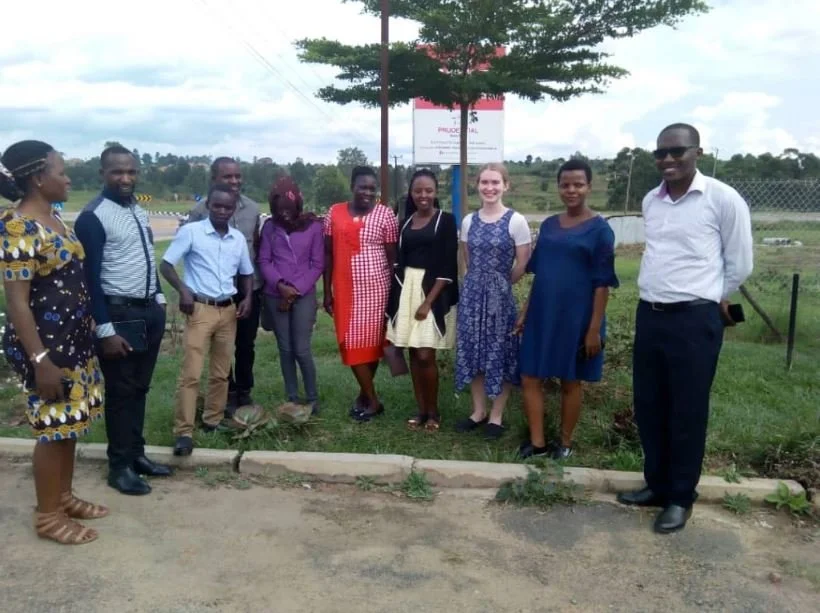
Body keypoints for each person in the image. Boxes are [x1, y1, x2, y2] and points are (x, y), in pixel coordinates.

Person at [617, 123, 753, 534]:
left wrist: (713, 297)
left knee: (687, 410)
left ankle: (680, 497)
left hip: (695, 319)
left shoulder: (722, 199)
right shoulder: (651, 201)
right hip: (651, 314)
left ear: (697, 151)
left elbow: (740, 262)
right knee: (650, 405)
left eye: (677, 151)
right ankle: (656, 486)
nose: (668, 160)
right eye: (661, 153)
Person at [0, 141, 106, 545]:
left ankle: (62, 497)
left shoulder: (55, 219)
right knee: (53, 427)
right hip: (46, 346)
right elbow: (17, 302)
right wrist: (40, 360)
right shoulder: (19, 227)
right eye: (62, 171)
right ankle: (48, 517)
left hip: (73, 341)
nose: (68, 178)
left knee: (70, 423)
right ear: (38, 178)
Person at [75, 145, 172, 496]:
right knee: (120, 392)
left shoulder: (138, 210)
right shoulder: (93, 216)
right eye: (117, 172)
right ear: (103, 173)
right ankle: (119, 467)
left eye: (131, 171)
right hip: (118, 316)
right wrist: (105, 330)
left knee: (140, 389)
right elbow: (90, 279)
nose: (126, 178)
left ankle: (137, 454)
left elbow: (147, 259)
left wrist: (160, 300)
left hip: (148, 310)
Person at [515, 159, 619, 460]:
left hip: (577, 318)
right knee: (530, 376)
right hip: (543, 314)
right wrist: (525, 311)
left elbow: (602, 284)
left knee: (569, 379)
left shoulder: (600, 230)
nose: (571, 190)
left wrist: (593, 329)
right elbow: (541, 274)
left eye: (578, 184)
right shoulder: (548, 226)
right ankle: (537, 443)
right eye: (565, 184)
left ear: (589, 186)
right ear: (559, 187)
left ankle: (565, 443)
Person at [160, 185, 254, 456]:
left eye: (228, 207)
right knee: (191, 373)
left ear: (234, 209)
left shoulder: (236, 238)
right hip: (200, 309)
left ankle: (212, 419)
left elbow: (246, 272)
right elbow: (166, 264)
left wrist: (247, 298)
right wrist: (183, 290)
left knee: (221, 372)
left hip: (228, 311)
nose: (222, 211)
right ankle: (184, 432)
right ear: (208, 206)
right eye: (217, 206)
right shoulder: (192, 232)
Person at [455, 163, 532, 440]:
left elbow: (523, 264)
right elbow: (467, 258)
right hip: (472, 295)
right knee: (474, 353)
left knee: (500, 352)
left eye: (495, 182)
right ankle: (478, 412)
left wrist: (500, 284)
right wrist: (479, 285)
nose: (489, 188)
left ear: (505, 186)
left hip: (501, 296)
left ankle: (496, 416)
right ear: (477, 185)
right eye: (484, 182)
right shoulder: (468, 221)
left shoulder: (516, 221)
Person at [184, 157, 261, 412]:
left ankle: (244, 390)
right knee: (221, 345)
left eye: (238, 176)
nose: (235, 181)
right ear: (214, 178)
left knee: (246, 344)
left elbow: (256, 246)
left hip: (249, 287)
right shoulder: (199, 212)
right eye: (228, 177)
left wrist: (251, 292)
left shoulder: (252, 209)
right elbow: (189, 250)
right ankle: (225, 392)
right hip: (214, 290)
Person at [323, 166, 398, 422]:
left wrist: (393, 293)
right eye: (362, 187)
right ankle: (373, 399)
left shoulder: (385, 215)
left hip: (377, 289)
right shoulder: (334, 212)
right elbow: (328, 253)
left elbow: (392, 257)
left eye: (371, 188)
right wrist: (327, 292)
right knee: (350, 342)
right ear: (352, 186)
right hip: (345, 289)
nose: (367, 192)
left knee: (372, 345)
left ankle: (365, 396)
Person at [385, 169, 458, 431]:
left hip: (432, 292)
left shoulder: (446, 221)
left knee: (426, 354)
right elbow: (399, 263)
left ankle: (434, 412)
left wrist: (428, 302)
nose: (423, 195)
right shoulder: (405, 222)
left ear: (436, 192)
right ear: (411, 193)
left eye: (428, 190)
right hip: (407, 291)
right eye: (418, 191)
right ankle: (421, 410)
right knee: (414, 354)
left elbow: (449, 265)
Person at [258, 177, 323, 413]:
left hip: (303, 295)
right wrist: (280, 286)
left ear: (298, 204)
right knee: (285, 349)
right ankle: (292, 397)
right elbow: (264, 260)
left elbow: (317, 264)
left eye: (289, 208)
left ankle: (312, 397)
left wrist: (295, 291)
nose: (284, 214)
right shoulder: (269, 228)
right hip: (276, 294)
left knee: (302, 349)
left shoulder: (314, 226)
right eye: (279, 210)